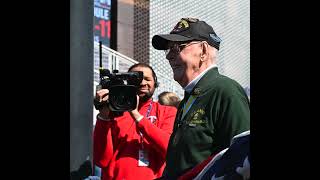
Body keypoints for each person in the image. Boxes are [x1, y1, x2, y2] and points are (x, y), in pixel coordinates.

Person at [152, 17, 250, 179]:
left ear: (203, 51)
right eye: (168, 50)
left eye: (176, 48)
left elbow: (243, 162)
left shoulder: (226, 91)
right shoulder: (191, 97)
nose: (169, 57)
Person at [93, 63, 177, 180]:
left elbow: (169, 149)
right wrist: (103, 115)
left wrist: (136, 115)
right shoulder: (113, 112)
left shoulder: (167, 112)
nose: (143, 83)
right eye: (137, 79)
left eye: (147, 79)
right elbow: (101, 160)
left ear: (155, 83)